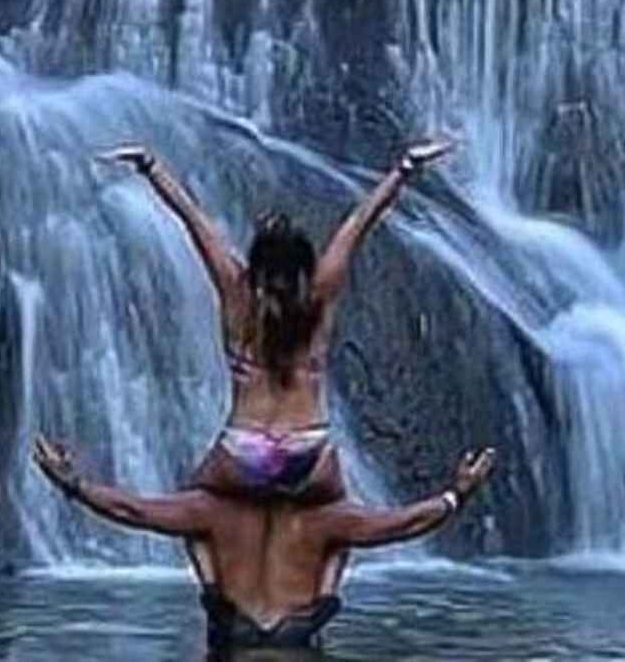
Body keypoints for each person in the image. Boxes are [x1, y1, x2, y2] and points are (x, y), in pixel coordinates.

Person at [98, 138, 455, 504]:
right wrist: (405, 168)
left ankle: (212, 563)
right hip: (308, 445)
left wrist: (150, 166)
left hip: (244, 447)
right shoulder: (319, 294)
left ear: (255, 263)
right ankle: (329, 563)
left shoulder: (236, 291)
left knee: (193, 512)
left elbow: (195, 221)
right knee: (339, 525)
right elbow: (359, 224)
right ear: (304, 265)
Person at [33, 437, 496, 653]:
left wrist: (71, 483)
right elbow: (403, 524)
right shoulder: (328, 518)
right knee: (340, 549)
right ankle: (323, 596)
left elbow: (132, 510)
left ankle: (221, 585)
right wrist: (458, 494)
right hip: (299, 631)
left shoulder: (211, 512)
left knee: (193, 534)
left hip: (232, 631)